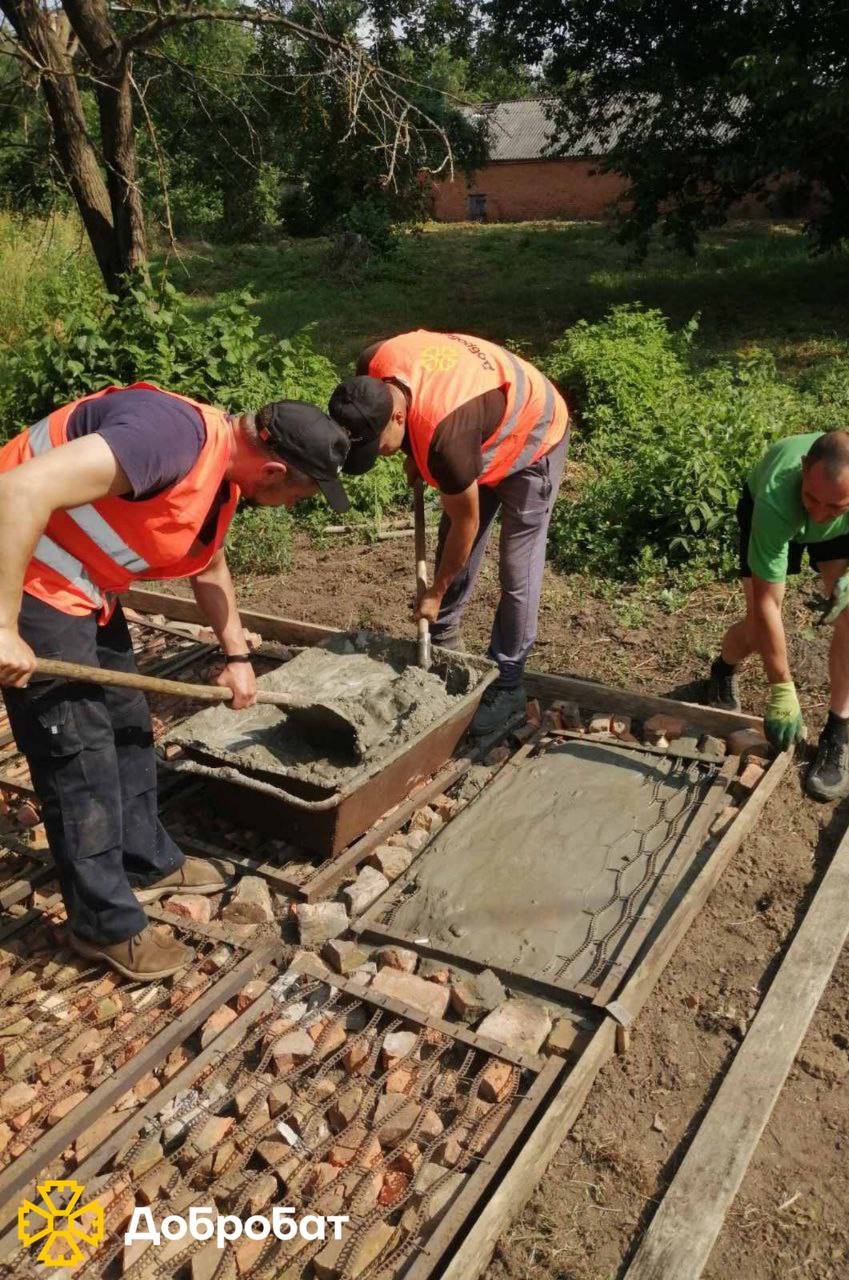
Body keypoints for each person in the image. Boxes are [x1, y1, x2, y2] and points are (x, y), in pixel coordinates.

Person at [0, 383, 364, 981]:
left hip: (84, 585)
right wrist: (6, 625)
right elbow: (18, 488)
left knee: (125, 720)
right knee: (77, 755)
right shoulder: (164, 441)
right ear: (273, 470)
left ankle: (145, 859)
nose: (296, 507)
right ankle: (102, 924)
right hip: (28, 577)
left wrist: (237, 654)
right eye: (300, 494)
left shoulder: (223, 466)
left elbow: (207, 558)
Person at [328, 330, 570, 738]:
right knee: (454, 538)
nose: (379, 454)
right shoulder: (371, 369)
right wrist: (410, 452)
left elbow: (466, 523)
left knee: (516, 566)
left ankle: (509, 682)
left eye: (379, 446)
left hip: (531, 436)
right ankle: (442, 639)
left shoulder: (446, 442)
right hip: (475, 424)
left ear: (399, 417)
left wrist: (435, 591)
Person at [706, 429, 849, 800]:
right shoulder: (779, 496)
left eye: (834, 506)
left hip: (841, 529)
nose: (818, 513)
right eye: (812, 498)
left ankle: (837, 732)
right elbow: (769, 605)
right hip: (775, 516)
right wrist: (781, 687)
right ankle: (723, 667)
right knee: (756, 624)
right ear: (802, 469)